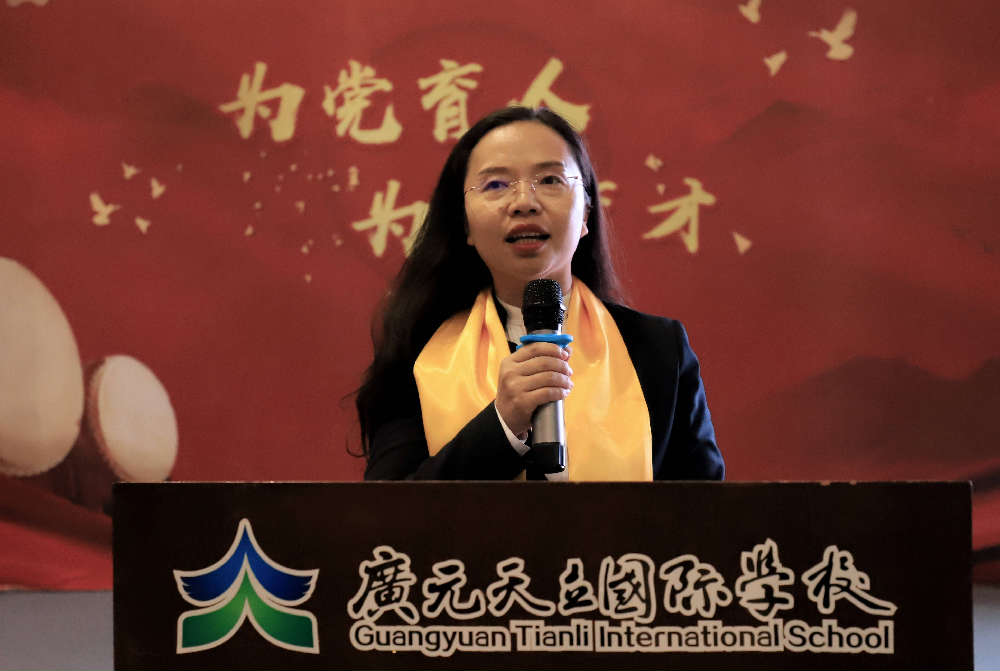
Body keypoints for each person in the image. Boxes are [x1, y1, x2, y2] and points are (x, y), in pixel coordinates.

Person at [357, 106, 723, 481]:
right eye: (495, 185)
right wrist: (502, 424)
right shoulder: (420, 353)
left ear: (586, 214)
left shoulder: (659, 350)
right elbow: (386, 509)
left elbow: (705, 509)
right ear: (464, 224)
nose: (524, 203)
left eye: (550, 180)